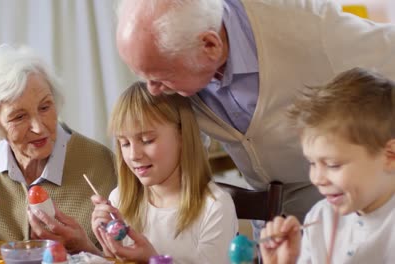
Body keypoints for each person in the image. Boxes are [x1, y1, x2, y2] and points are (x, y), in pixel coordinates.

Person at [115, 0, 395, 224]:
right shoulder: (176, 55)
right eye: (143, 77)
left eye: (161, 77)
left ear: (210, 45)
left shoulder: (312, 30)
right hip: (276, 226)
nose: (152, 90)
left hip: (347, 215)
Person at [0, 44, 117, 254]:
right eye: (19, 116)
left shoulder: (101, 164)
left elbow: (128, 254)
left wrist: (84, 248)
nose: (38, 127)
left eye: (45, 107)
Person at [90, 82, 238, 263]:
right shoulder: (119, 200)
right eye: (125, 143)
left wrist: (153, 259)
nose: (134, 155)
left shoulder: (215, 206)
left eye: (147, 140)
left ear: (183, 136)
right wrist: (109, 251)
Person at [259, 67, 395, 263]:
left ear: (390, 155)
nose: (316, 178)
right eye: (312, 163)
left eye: (333, 165)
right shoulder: (320, 218)